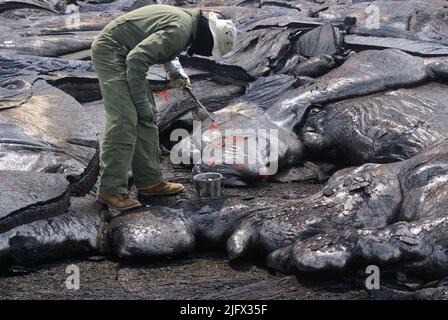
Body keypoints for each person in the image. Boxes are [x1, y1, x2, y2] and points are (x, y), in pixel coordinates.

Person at [91, 4, 237, 210]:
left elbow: (162, 44)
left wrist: (175, 70)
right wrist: (141, 104)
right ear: (208, 39)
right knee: (125, 118)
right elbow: (136, 60)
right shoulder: (182, 28)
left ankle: (150, 182)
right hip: (112, 51)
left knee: (147, 118)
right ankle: (110, 190)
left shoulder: (188, 24)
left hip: (128, 53)